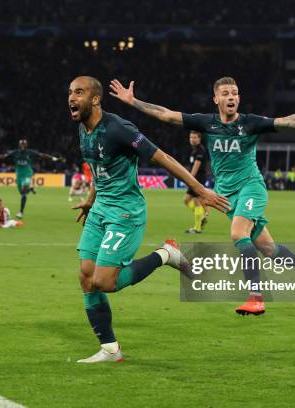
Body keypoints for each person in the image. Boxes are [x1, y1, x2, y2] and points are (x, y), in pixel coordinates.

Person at [109, 77, 295, 315]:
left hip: (251, 187)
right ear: (216, 99)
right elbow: (167, 115)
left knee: (238, 233)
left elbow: (288, 123)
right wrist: (133, 101)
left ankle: (256, 297)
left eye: (235, 93)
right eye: (226, 93)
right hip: (227, 196)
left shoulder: (251, 123)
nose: (231, 97)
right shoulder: (206, 123)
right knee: (269, 249)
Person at [69, 76, 230, 363]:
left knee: (105, 282)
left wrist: (200, 190)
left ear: (95, 99)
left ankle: (166, 254)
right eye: (70, 92)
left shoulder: (118, 128)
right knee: (85, 276)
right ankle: (110, 349)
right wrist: (91, 200)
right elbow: (97, 165)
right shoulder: (84, 129)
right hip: (101, 208)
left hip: (125, 212)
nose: (72, 97)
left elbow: (162, 156)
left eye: (79, 92)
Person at [0, 139, 64, 219]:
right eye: (21, 144)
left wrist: (55, 158)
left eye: (24, 144)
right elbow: (3, 156)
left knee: (24, 191)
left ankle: (21, 212)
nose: (22, 146)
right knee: (22, 193)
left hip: (27, 173)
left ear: (26, 145)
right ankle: (31, 188)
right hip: (19, 174)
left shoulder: (30, 152)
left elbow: (42, 155)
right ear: (19, 145)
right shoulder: (15, 152)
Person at [184, 130, 209, 233]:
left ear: (199, 139)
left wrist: (190, 178)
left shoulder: (200, 150)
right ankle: (202, 216)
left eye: (195, 138)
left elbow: (196, 165)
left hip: (198, 178)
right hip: (196, 178)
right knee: (186, 200)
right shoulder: (194, 150)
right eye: (191, 137)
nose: (192, 140)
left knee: (196, 201)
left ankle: (197, 228)